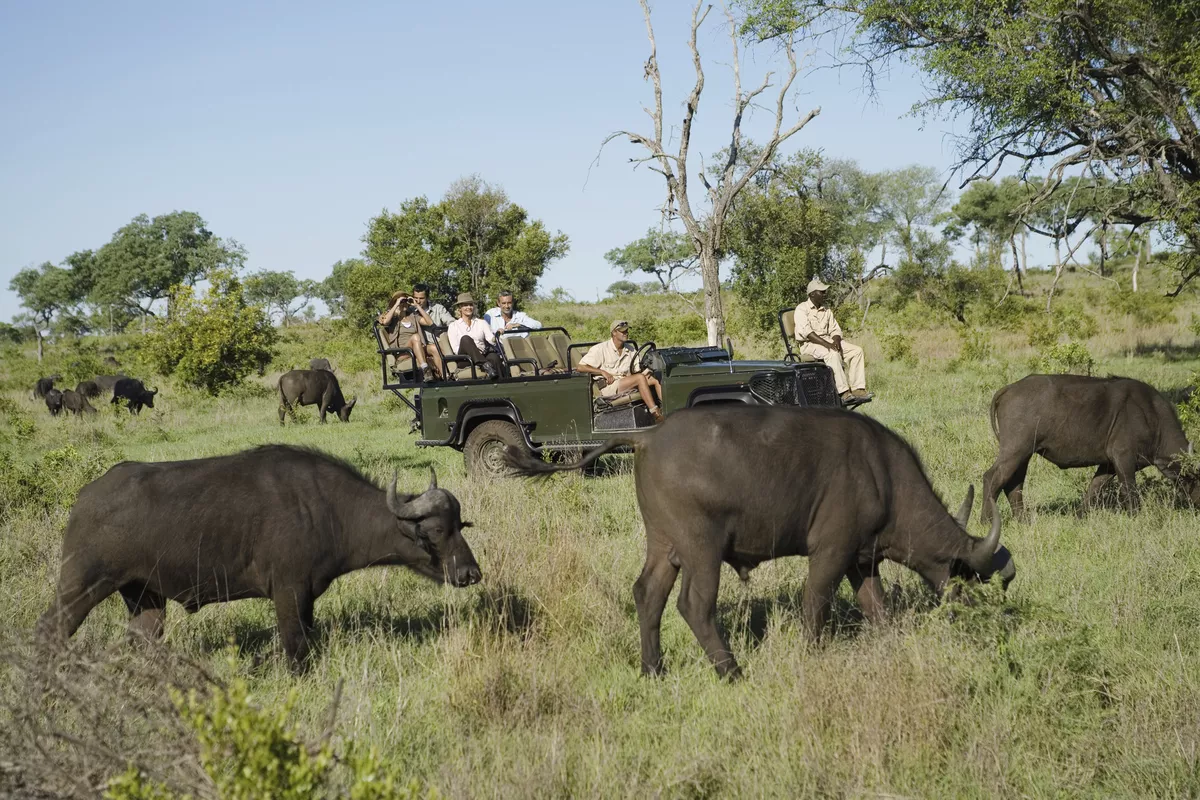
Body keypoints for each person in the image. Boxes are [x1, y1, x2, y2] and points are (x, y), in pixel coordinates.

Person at [794, 278, 872, 404]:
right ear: (812, 294)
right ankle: (843, 392)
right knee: (832, 353)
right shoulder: (801, 309)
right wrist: (828, 345)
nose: (825, 294)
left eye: (825, 291)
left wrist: (836, 341)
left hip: (827, 341)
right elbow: (807, 333)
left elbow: (835, 329)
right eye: (822, 292)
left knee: (856, 351)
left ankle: (858, 389)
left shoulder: (826, 309)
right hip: (809, 344)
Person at [577, 320, 664, 423]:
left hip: (626, 381)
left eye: (627, 331)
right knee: (640, 378)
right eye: (623, 331)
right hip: (609, 386)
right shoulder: (600, 349)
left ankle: (666, 409)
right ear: (614, 332)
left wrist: (646, 371)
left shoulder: (630, 349)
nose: (626, 333)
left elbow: (636, 371)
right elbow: (580, 367)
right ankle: (655, 413)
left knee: (654, 378)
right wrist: (601, 372)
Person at [377, 290, 441, 381]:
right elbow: (385, 322)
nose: (404, 304)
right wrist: (397, 304)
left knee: (434, 347)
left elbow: (429, 322)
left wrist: (417, 306)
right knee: (415, 337)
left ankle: (443, 376)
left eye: (405, 301)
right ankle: (425, 369)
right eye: (401, 302)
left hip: (417, 348)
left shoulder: (413, 316)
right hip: (403, 352)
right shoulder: (394, 318)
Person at [446, 292, 504, 379]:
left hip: (482, 353)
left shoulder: (482, 323)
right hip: (465, 358)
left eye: (470, 305)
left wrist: (496, 336)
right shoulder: (453, 326)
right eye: (465, 305)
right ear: (460, 308)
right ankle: (485, 364)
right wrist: (474, 351)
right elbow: (456, 349)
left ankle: (501, 381)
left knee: (494, 357)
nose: (469, 307)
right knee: (465, 339)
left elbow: (490, 339)